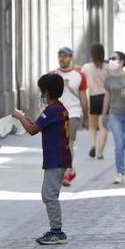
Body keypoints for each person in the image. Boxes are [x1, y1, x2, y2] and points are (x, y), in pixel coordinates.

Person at [11, 74, 72, 245]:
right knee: (49, 194)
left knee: (49, 195)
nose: (41, 94)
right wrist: (29, 121)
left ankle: (56, 231)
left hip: (56, 158)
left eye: (41, 91)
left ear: (46, 92)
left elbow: (31, 130)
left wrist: (19, 116)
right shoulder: (60, 108)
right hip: (60, 157)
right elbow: (38, 125)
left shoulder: (52, 111)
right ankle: (55, 229)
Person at [101, 51, 125, 184]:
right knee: (119, 145)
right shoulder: (108, 79)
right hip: (114, 114)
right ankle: (119, 172)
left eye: (113, 58)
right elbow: (107, 97)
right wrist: (104, 114)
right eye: (109, 59)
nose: (110, 61)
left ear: (122, 61)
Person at [51, 46, 88, 187]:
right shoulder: (52, 75)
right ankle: (69, 169)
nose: (62, 58)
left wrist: (86, 116)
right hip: (56, 114)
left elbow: (83, 97)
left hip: (73, 113)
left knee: (67, 144)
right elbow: (45, 96)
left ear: (71, 57)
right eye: (60, 55)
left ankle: (65, 174)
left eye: (65, 56)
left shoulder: (79, 76)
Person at [83, 43, 109, 159]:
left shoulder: (87, 67)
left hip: (93, 97)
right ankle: (100, 152)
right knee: (103, 126)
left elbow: (83, 80)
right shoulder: (108, 67)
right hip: (106, 98)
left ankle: (93, 145)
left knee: (92, 126)